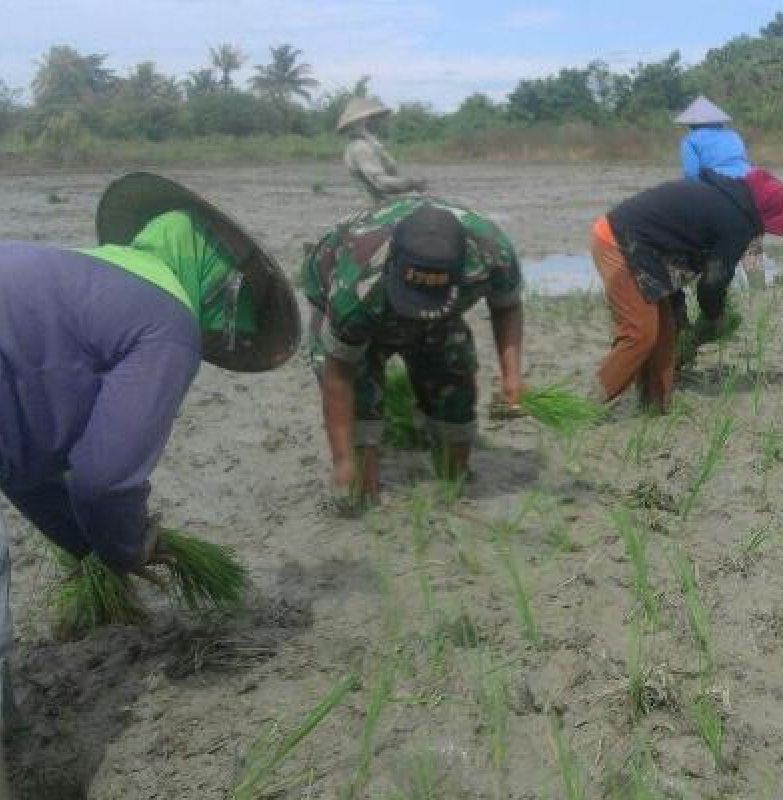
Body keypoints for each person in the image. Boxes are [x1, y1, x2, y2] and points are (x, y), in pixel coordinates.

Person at [0, 172, 300, 734]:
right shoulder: (166, 321)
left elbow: (23, 464)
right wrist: (128, 548)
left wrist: (84, 545)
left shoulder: (67, 278)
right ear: (218, 285)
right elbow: (104, 479)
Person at [302, 198, 525, 503]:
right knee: (359, 464)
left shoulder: (491, 253)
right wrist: (343, 461)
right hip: (358, 298)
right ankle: (365, 483)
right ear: (393, 265)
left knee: (454, 378)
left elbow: (507, 306)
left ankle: (453, 479)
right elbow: (339, 376)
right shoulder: (354, 290)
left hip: (438, 317)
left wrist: (512, 375)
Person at [590, 167, 783, 410]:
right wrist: (715, 317)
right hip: (619, 242)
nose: (761, 235)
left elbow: (676, 252)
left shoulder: (725, 200)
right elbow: (712, 283)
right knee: (640, 333)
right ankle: (586, 404)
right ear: (762, 215)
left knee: (666, 332)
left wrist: (679, 312)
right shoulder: (738, 222)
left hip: (644, 249)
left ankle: (655, 405)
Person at [675, 95, 766, 292]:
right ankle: (759, 292)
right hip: (749, 192)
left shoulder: (690, 140)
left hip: (718, 195)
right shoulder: (733, 136)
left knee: (715, 247)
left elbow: (692, 176)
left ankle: (718, 292)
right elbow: (742, 164)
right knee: (752, 248)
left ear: (690, 123)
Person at [337, 96, 428, 203]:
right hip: (377, 205)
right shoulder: (360, 148)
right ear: (363, 121)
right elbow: (379, 181)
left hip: (385, 202)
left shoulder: (369, 144)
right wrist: (411, 183)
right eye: (374, 117)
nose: (379, 121)